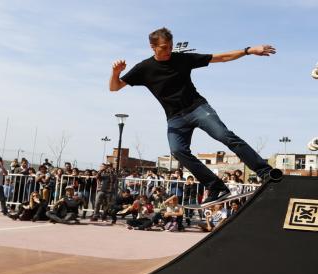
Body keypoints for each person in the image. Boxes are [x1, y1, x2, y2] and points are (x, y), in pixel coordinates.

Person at [109, 26, 279, 205]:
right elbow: (115, 87)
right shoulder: (144, 68)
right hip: (175, 118)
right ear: (153, 47)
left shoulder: (182, 59)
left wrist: (249, 50)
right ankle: (216, 186)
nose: (169, 51)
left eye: (170, 46)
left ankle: (265, 171)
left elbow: (220, 58)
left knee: (224, 135)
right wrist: (115, 73)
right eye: (164, 47)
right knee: (177, 150)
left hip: (197, 108)